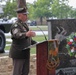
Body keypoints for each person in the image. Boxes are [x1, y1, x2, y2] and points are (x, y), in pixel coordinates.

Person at [9, 2, 37, 75]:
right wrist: (27, 34)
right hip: (18, 54)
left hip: (25, 53)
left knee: (25, 72)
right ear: (19, 16)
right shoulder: (16, 25)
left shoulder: (24, 25)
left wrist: (37, 43)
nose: (26, 16)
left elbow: (27, 39)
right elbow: (17, 35)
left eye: (26, 14)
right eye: (25, 14)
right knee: (17, 73)